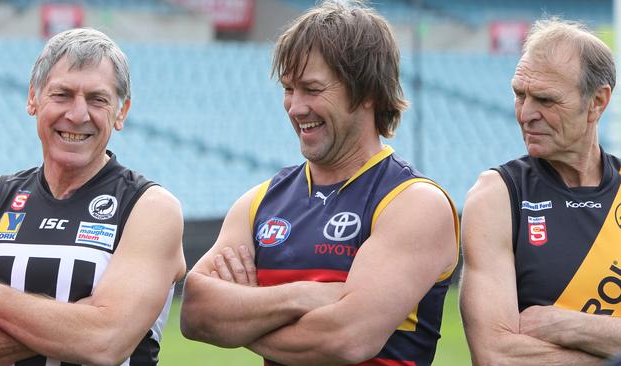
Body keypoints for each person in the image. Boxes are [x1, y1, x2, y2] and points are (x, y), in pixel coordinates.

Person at [180, 1, 459, 365]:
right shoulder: (259, 202)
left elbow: (346, 339)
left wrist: (241, 321)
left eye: (311, 90)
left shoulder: (415, 203)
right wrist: (304, 296)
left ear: (368, 93)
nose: (295, 108)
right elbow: (197, 312)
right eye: (288, 89)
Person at [0, 28, 186, 365]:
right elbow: (93, 333)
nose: (78, 114)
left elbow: (104, 341)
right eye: (62, 95)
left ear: (121, 112)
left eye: (98, 99)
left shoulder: (151, 208)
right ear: (33, 98)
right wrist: (76, 322)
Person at [460, 18, 621, 365]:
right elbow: (496, 356)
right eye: (520, 95)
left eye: (546, 100)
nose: (526, 114)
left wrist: (569, 326)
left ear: (597, 102)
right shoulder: (498, 195)